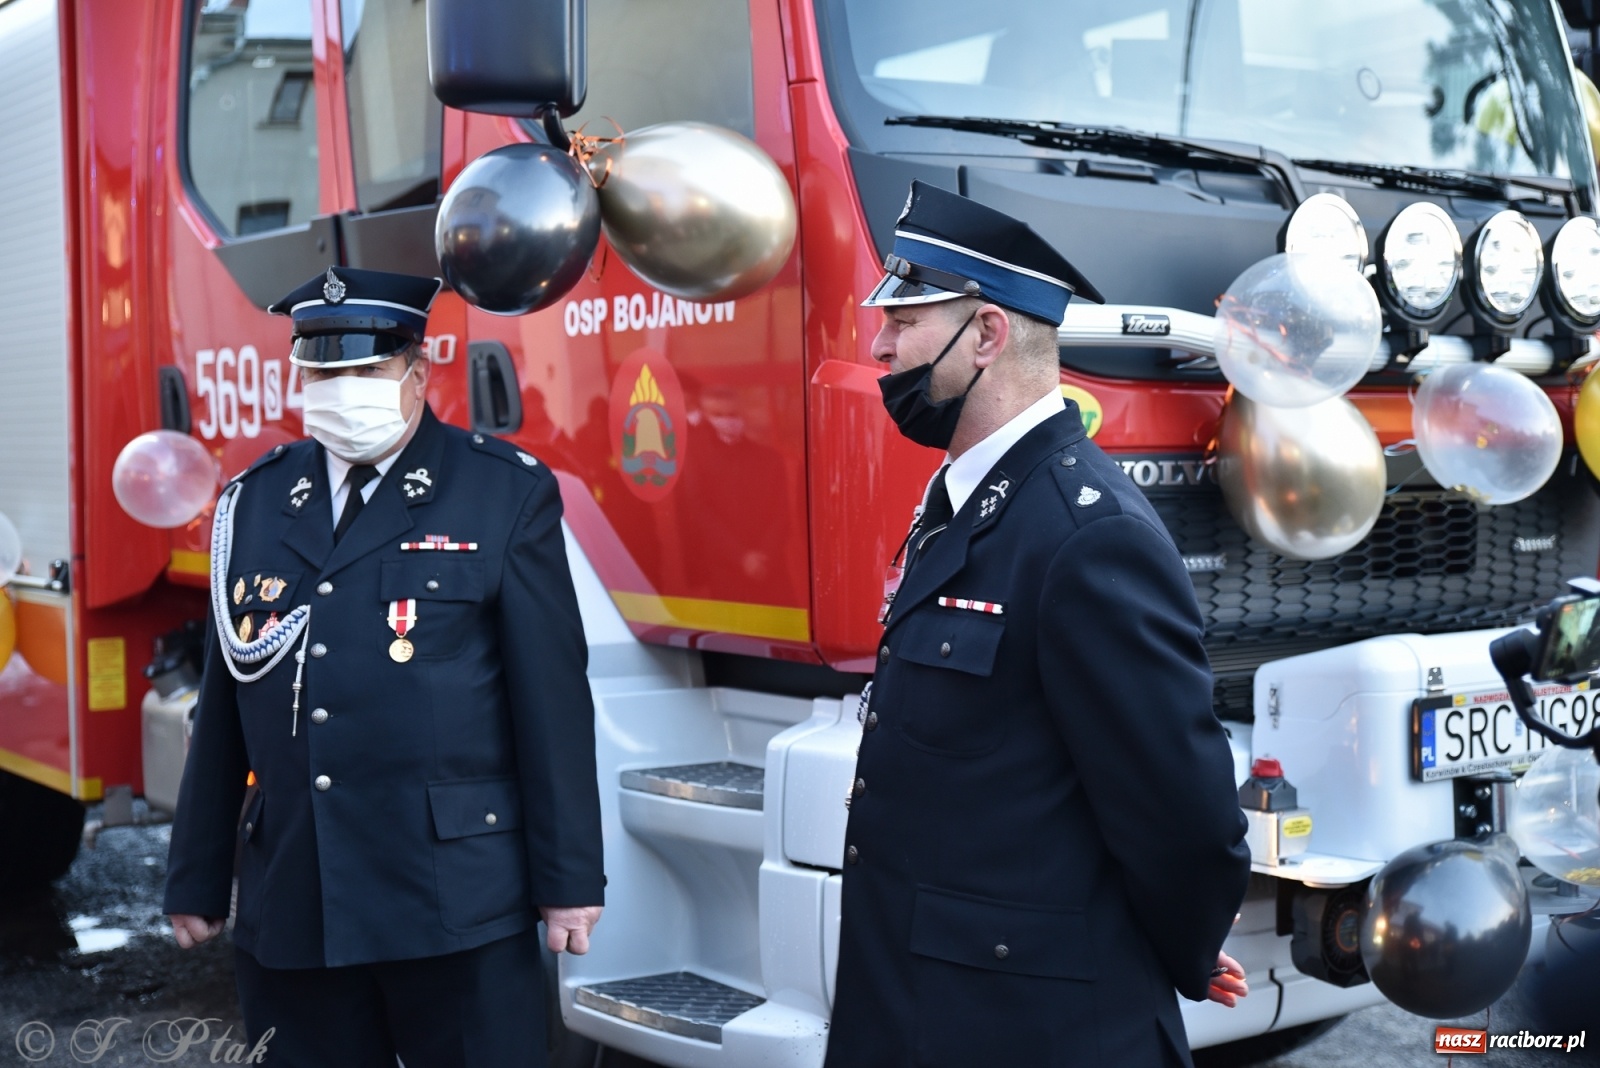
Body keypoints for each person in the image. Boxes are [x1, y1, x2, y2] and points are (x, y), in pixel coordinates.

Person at [824, 183, 1251, 1068]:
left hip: (1026, 1025)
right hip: (923, 1004)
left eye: (905, 320)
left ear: (985, 336)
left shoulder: (1087, 535)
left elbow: (1180, 812)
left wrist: (1183, 943)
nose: (880, 344)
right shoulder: (968, 499)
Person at [163, 267, 605, 1068]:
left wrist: (569, 880)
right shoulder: (254, 501)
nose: (343, 391)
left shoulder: (501, 493)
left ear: (417, 369)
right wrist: (196, 876)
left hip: (452, 897)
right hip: (295, 893)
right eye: (324, 373)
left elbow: (552, 707)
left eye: (365, 370)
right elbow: (226, 704)